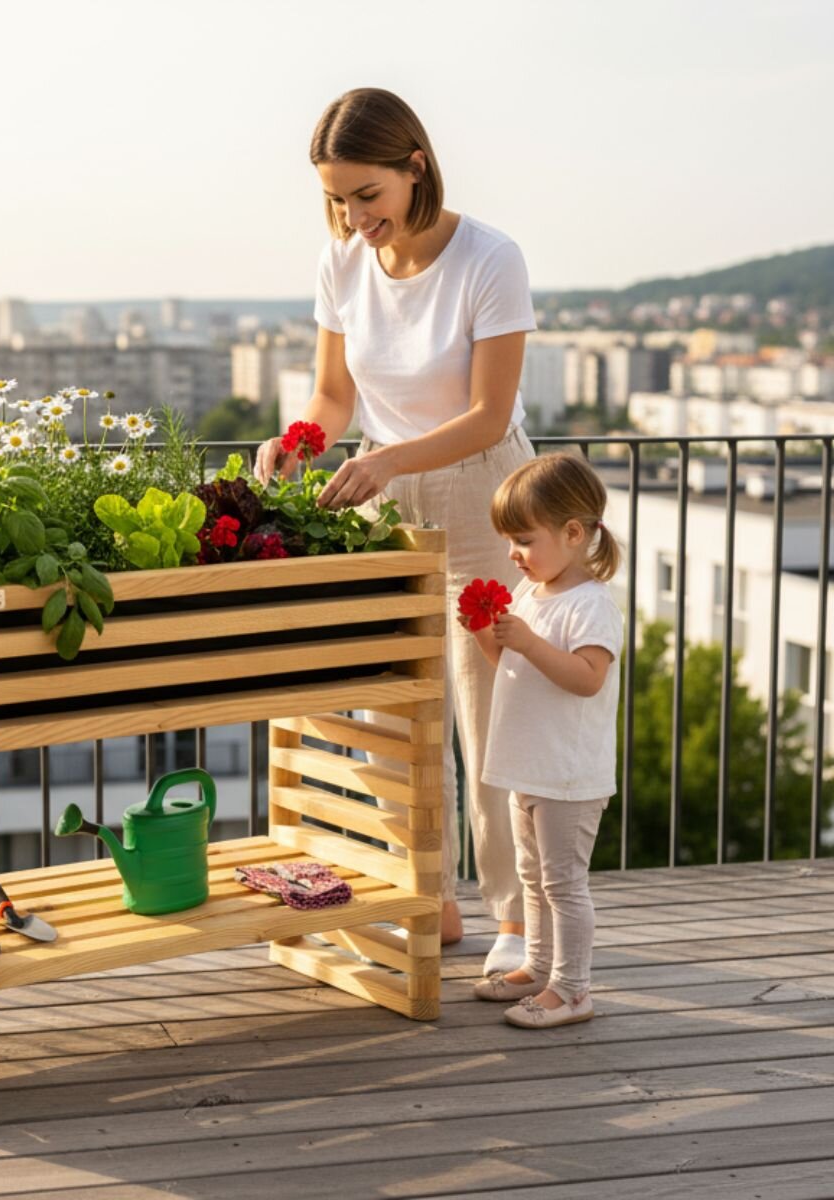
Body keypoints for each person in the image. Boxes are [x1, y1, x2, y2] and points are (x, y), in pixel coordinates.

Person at [255, 87, 536, 970]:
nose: (353, 217)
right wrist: (298, 442)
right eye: (336, 199)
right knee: (388, 717)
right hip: (385, 505)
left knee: (491, 724)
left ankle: (519, 924)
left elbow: (490, 416)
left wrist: (389, 459)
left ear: (415, 165)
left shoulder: (491, 258)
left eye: (366, 195)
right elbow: (335, 397)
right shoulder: (341, 261)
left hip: (486, 499)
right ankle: (430, 900)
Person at [468, 453, 623, 1027]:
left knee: (563, 882)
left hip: (567, 774)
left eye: (523, 539)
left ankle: (573, 989)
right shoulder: (532, 592)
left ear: (574, 533)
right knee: (531, 877)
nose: (513, 552)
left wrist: (529, 642)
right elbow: (507, 663)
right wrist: (489, 632)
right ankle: (537, 966)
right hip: (529, 766)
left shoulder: (592, 605)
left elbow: (587, 679)